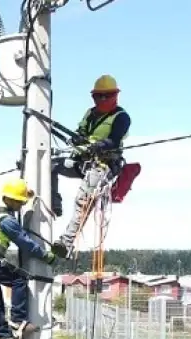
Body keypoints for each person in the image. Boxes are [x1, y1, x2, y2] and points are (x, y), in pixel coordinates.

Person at [0, 178, 64, 339]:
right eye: (18, 202)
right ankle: (18, 321)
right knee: (19, 279)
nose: (20, 205)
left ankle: (4, 336)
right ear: (9, 199)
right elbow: (24, 242)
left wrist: (28, 197)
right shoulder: (6, 220)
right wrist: (46, 256)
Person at [50, 74, 131, 256]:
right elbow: (81, 131)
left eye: (106, 96)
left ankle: (67, 243)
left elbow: (114, 140)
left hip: (104, 164)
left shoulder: (122, 117)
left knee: (83, 200)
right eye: (98, 96)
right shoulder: (90, 114)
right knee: (51, 166)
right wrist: (78, 139)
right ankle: (55, 204)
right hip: (83, 160)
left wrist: (98, 146)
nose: (102, 99)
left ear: (115, 95)